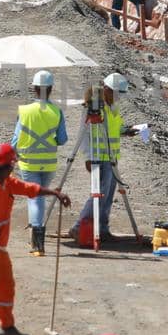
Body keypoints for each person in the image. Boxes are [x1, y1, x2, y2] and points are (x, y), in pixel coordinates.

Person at [0, 143, 70, 335]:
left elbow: (30, 189)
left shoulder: (7, 183)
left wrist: (55, 193)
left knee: (6, 285)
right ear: (10, 165)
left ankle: (7, 326)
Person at [71, 73, 134, 242]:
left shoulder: (113, 107)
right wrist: (88, 157)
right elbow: (82, 134)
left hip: (111, 157)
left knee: (109, 194)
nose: (118, 97)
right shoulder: (94, 106)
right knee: (99, 194)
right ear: (106, 89)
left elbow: (114, 129)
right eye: (116, 93)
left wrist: (127, 130)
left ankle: (103, 228)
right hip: (98, 156)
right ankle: (79, 226)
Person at [13, 69, 67, 257]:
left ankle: (37, 244)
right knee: (40, 198)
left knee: (34, 199)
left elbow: (15, 140)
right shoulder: (57, 112)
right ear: (51, 89)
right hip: (49, 163)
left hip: (29, 163)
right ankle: (36, 238)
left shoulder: (25, 111)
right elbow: (62, 139)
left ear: (34, 88)